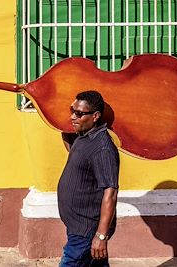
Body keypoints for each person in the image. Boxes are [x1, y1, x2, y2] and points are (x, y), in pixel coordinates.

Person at [58, 90, 120, 267]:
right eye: (72, 111)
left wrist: (100, 236)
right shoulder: (84, 137)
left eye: (79, 113)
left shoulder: (103, 149)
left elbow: (111, 193)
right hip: (76, 225)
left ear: (95, 116)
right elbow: (77, 156)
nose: (73, 117)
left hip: (86, 230)